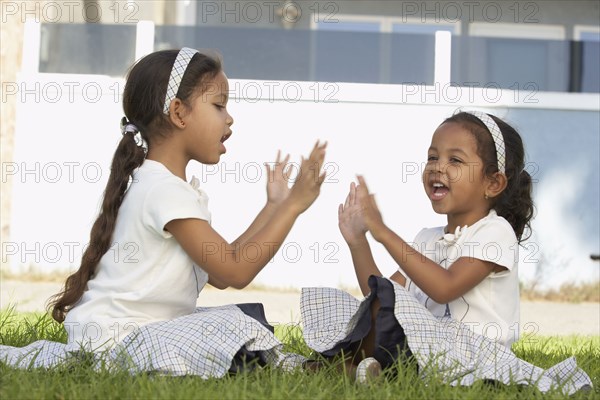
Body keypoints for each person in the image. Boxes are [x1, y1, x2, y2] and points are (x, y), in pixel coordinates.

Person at [1, 48, 326, 378]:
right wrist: (293, 206)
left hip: (137, 335)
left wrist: (272, 207)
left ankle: (303, 367)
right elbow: (235, 272)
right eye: (219, 105)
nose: (229, 118)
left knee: (234, 320)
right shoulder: (164, 191)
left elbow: (219, 270)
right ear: (178, 112)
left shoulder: (164, 186)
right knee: (231, 325)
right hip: (120, 343)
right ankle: (306, 368)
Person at [300, 111, 592, 393]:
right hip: (426, 346)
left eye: (455, 160)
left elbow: (445, 288)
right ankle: (365, 368)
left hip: (473, 353)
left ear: (493, 183)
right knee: (360, 308)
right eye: (432, 157)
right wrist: (358, 241)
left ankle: (356, 366)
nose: (438, 167)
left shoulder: (495, 232)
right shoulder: (428, 238)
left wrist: (383, 231)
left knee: (380, 323)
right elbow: (379, 295)